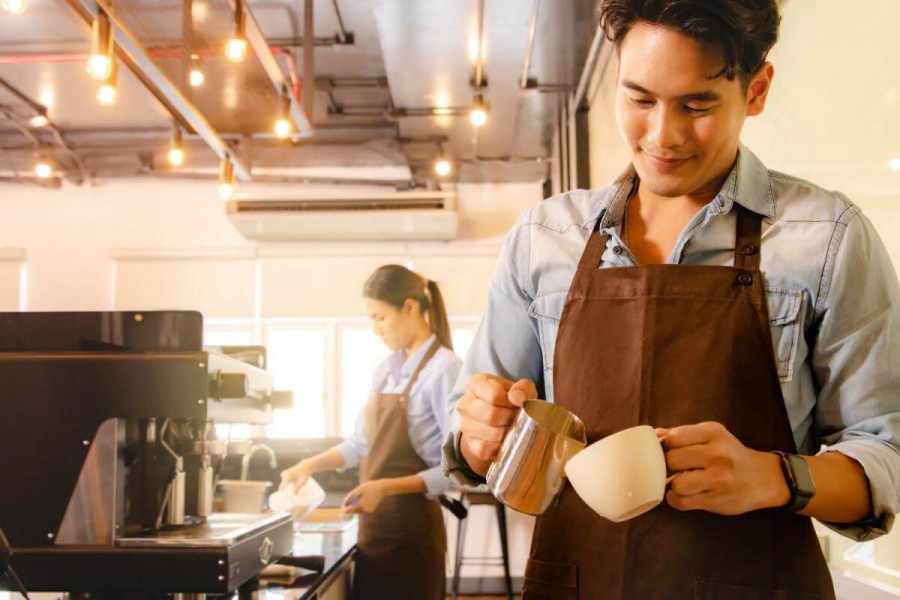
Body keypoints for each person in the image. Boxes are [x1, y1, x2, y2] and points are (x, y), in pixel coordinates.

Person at [442, 1, 900, 598]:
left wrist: (773, 477)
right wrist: (477, 434)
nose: (662, 136)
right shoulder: (543, 240)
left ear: (756, 89)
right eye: (639, 99)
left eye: (697, 104)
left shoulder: (827, 237)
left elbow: (886, 452)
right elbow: (472, 437)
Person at [281, 265, 461, 600]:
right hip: (374, 530)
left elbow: (457, 470)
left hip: (412, 535)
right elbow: (359, 444)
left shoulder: (445, 369)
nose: (376, 330)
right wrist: (308, 465)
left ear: (409, 307)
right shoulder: (386, 371)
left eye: (380, 317)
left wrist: (386, 488)